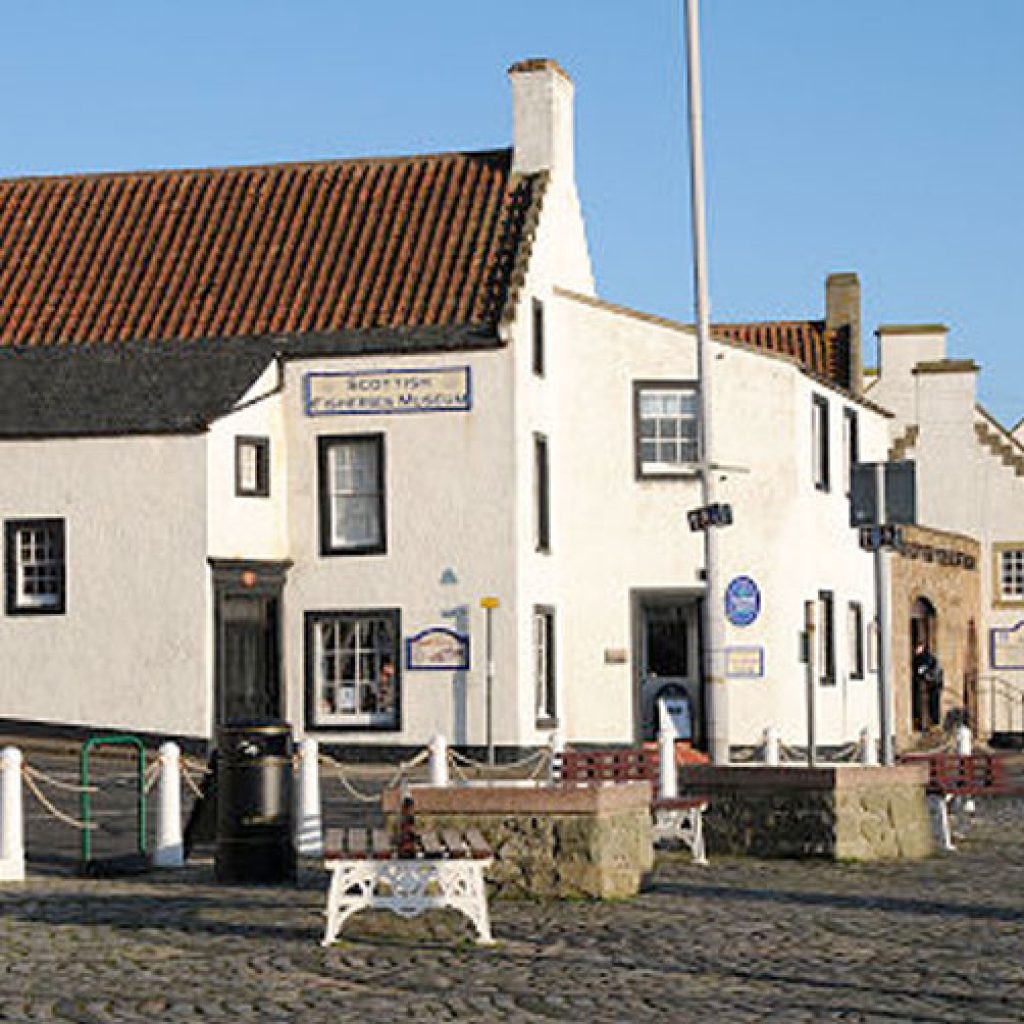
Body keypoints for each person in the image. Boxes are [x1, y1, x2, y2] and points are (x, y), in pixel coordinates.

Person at [912, 642, 943, 730]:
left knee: (932, 704)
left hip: (932, 685)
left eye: (918, 648)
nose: (916, 650)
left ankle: (932, 722)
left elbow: (924, 671)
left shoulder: (926, 657)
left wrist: (926, 675)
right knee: (928, 704)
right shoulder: (922, 658)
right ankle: (927, 723)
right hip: (931, 684)